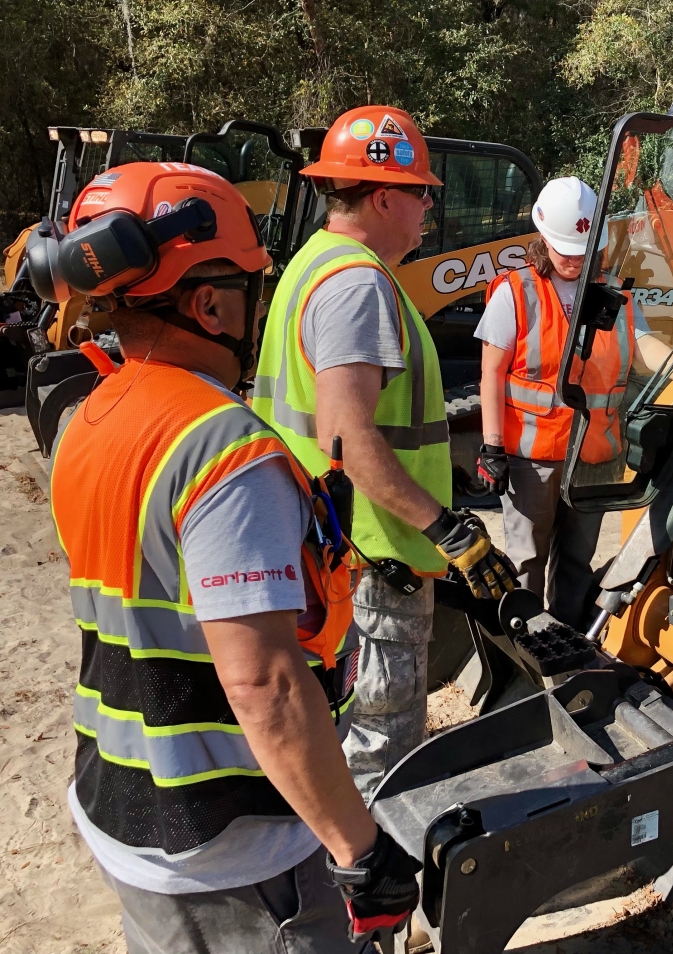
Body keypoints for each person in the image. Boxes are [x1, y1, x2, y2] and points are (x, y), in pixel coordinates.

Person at [39, 162, 421, 952]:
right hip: (229, 848)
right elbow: (266, 686)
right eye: (250, 286)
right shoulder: (220, 449)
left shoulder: (90, 416)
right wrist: (360, 850)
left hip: (121, 799)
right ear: (209, 303)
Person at [252, 105, 516, 800]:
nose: (430, 207)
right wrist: (444, 525)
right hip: (374, 556)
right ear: (385, 195)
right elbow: (346, 437)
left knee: (344, 722)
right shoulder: (358, 283)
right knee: (381, 740)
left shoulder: (312, 264)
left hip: (325, 543)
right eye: (423, 192)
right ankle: (371, 895)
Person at [473, 177, 673, 629]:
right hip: (532, 459)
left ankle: (567, 642)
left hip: (593, 455)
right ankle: (522, 646)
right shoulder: (517, 291)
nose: (573, 259)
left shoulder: (613, 295)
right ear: (542, 237)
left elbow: (641, 346)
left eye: (583, 250)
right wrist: (492, 446)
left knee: (576, 563)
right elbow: (491, 372)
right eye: (565, 249)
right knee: (527, 561)